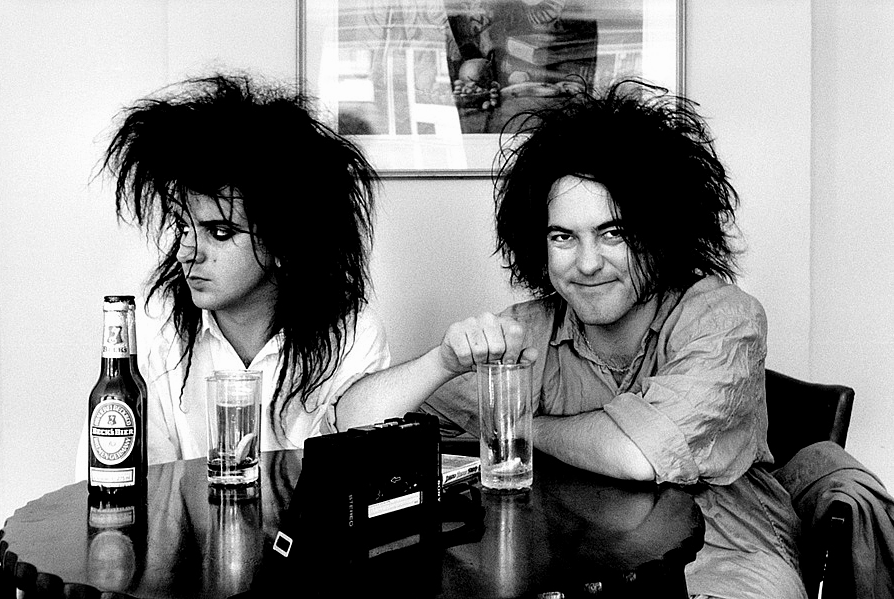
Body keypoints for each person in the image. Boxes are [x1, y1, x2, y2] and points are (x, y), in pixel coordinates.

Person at [340, 80, 808, 598]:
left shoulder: (723, 317)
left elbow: (638, 454)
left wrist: (517, 425)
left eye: (614, 233)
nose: (587, 264)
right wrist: (443, 360)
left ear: (662, 231)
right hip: (578, 565)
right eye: (563, 236)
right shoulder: (531, 329)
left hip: (724, 560)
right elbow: (354, 424)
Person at [77, 72, 390, 474]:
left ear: (285, 243)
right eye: (183, 226)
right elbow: (130, 486)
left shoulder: (351, 334)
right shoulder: (154, 329)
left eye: (219, 233)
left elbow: (353, 480)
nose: (187, 253)